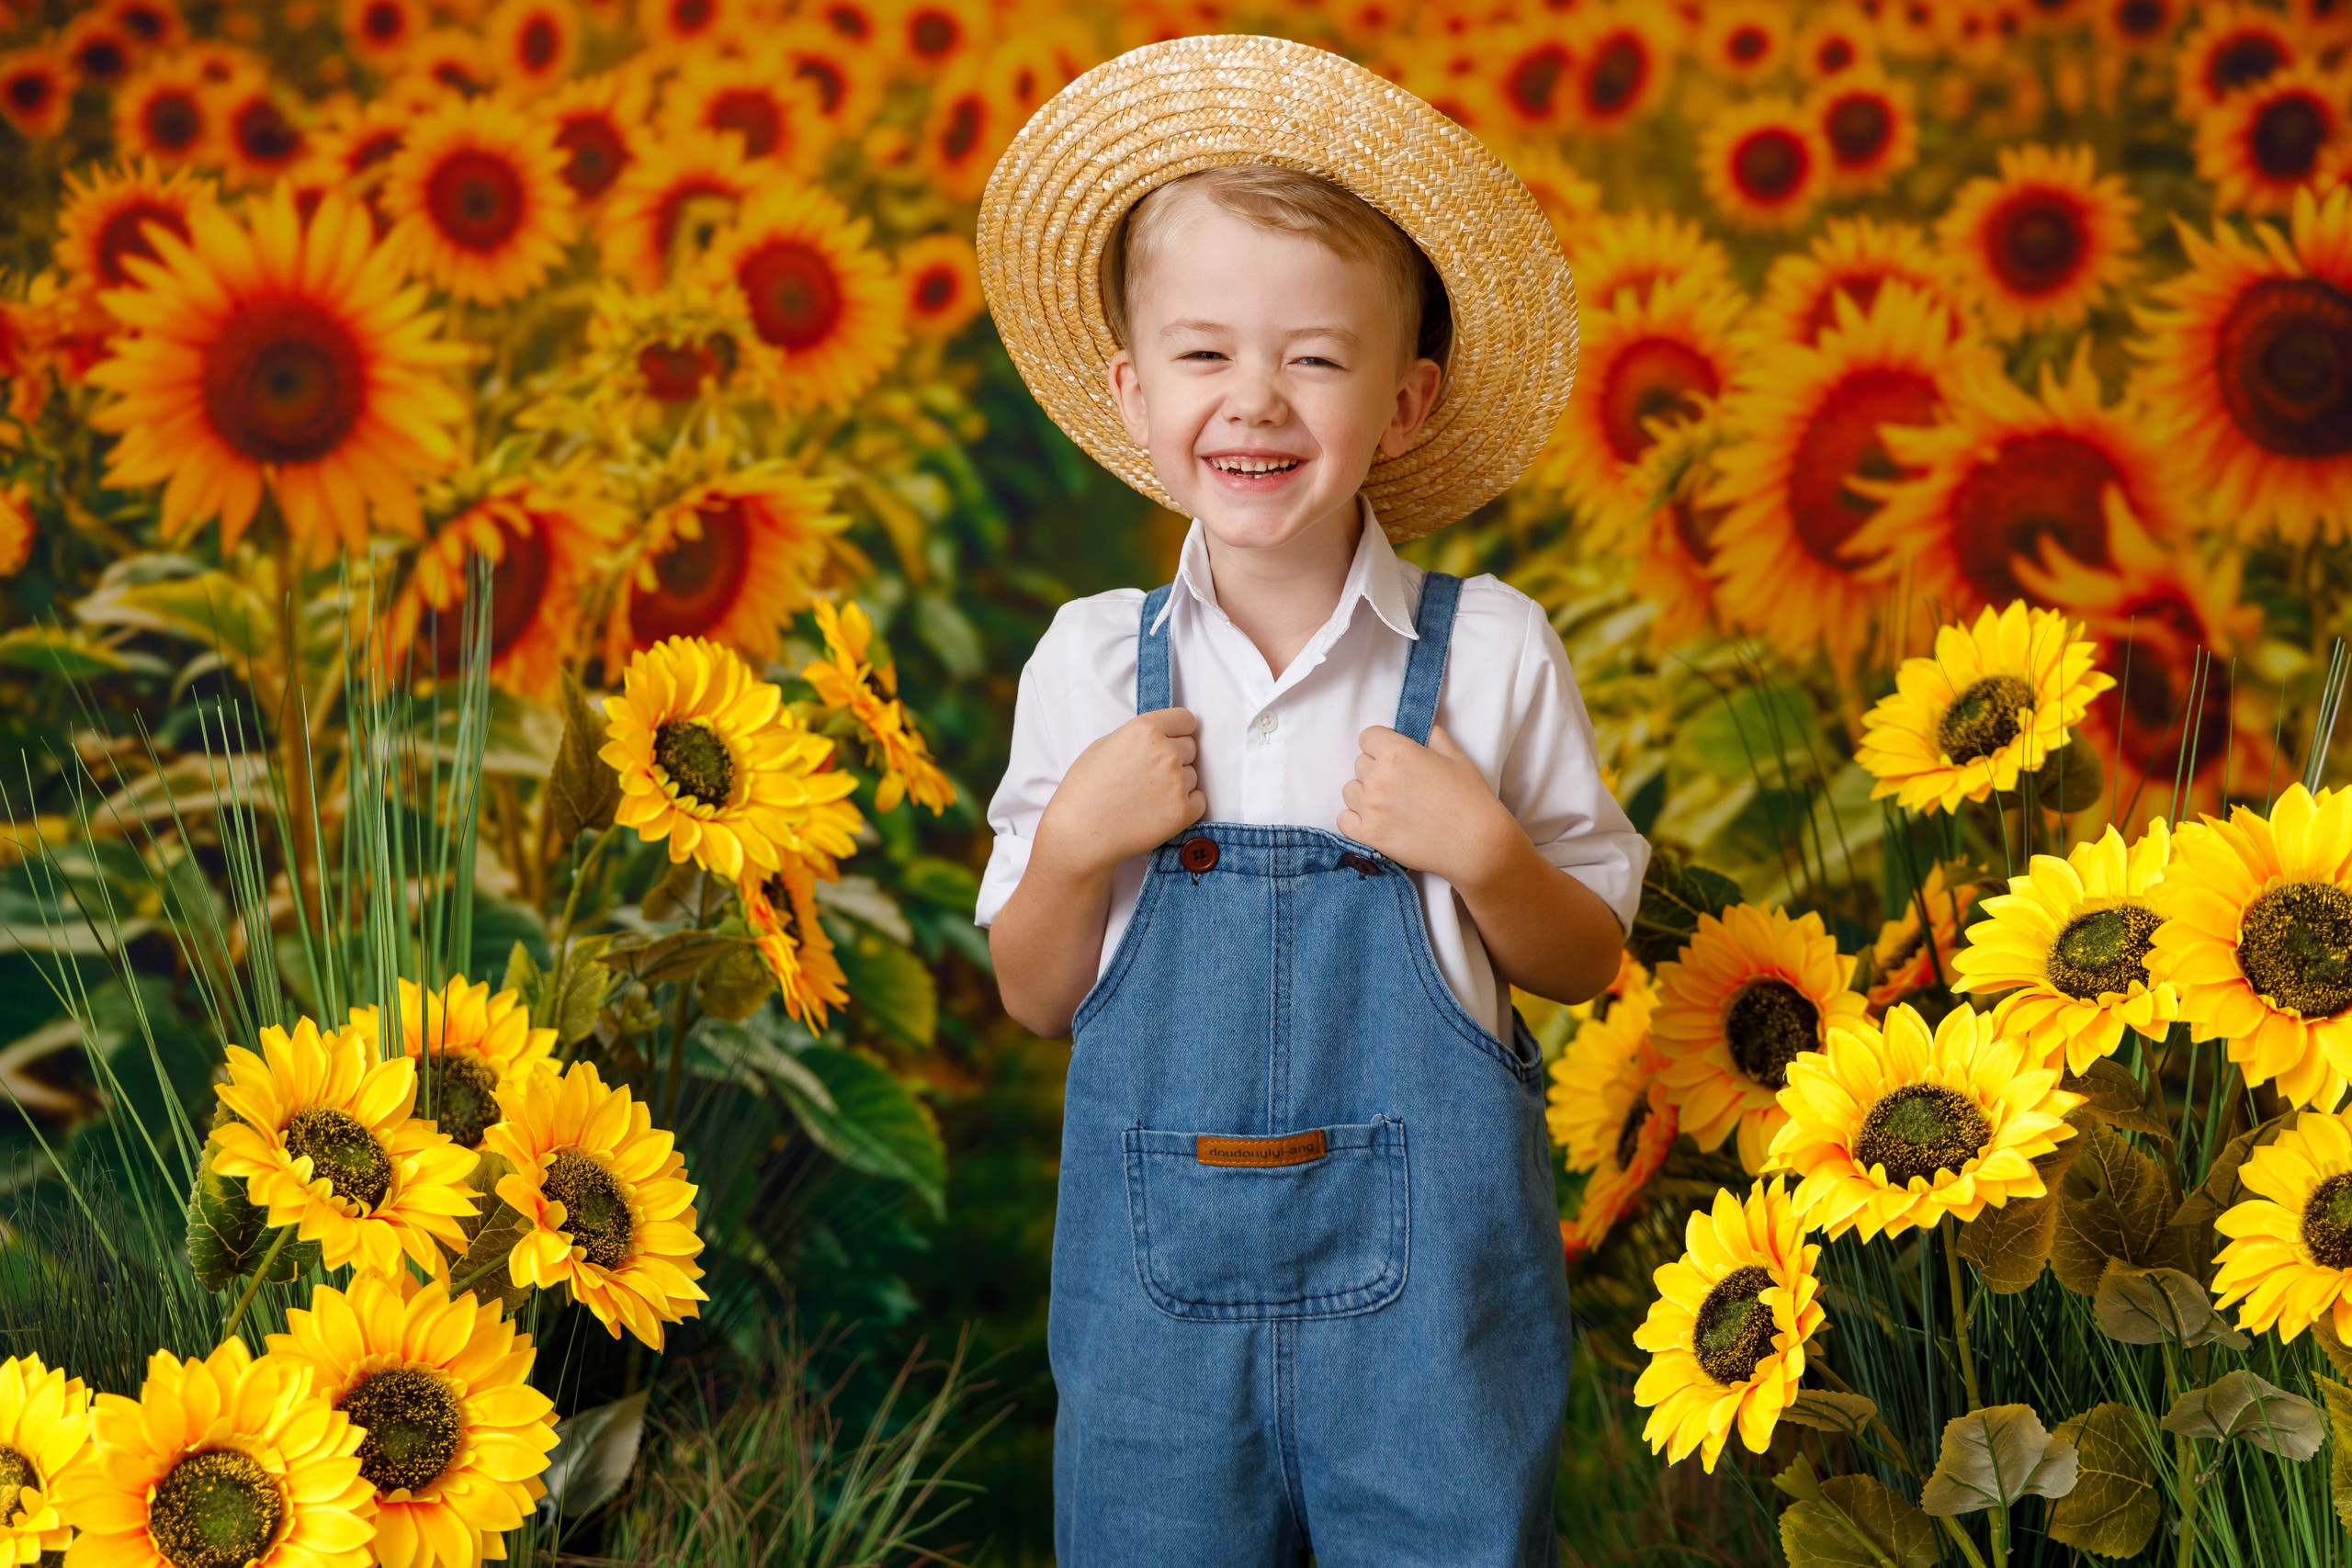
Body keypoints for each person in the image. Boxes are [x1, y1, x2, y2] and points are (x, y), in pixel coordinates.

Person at [970, 33, 1649, 1567]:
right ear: (1135, 391)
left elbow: (1586, 960)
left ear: (1407, 404)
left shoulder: (1489, 653)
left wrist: (1484, 851)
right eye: (1206, 355)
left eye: (1318, 359)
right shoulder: (1091, 663)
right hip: (1155, 1349)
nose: (1256, 402)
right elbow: (1031, 991)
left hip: (1437, 1344)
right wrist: (1076, 842)